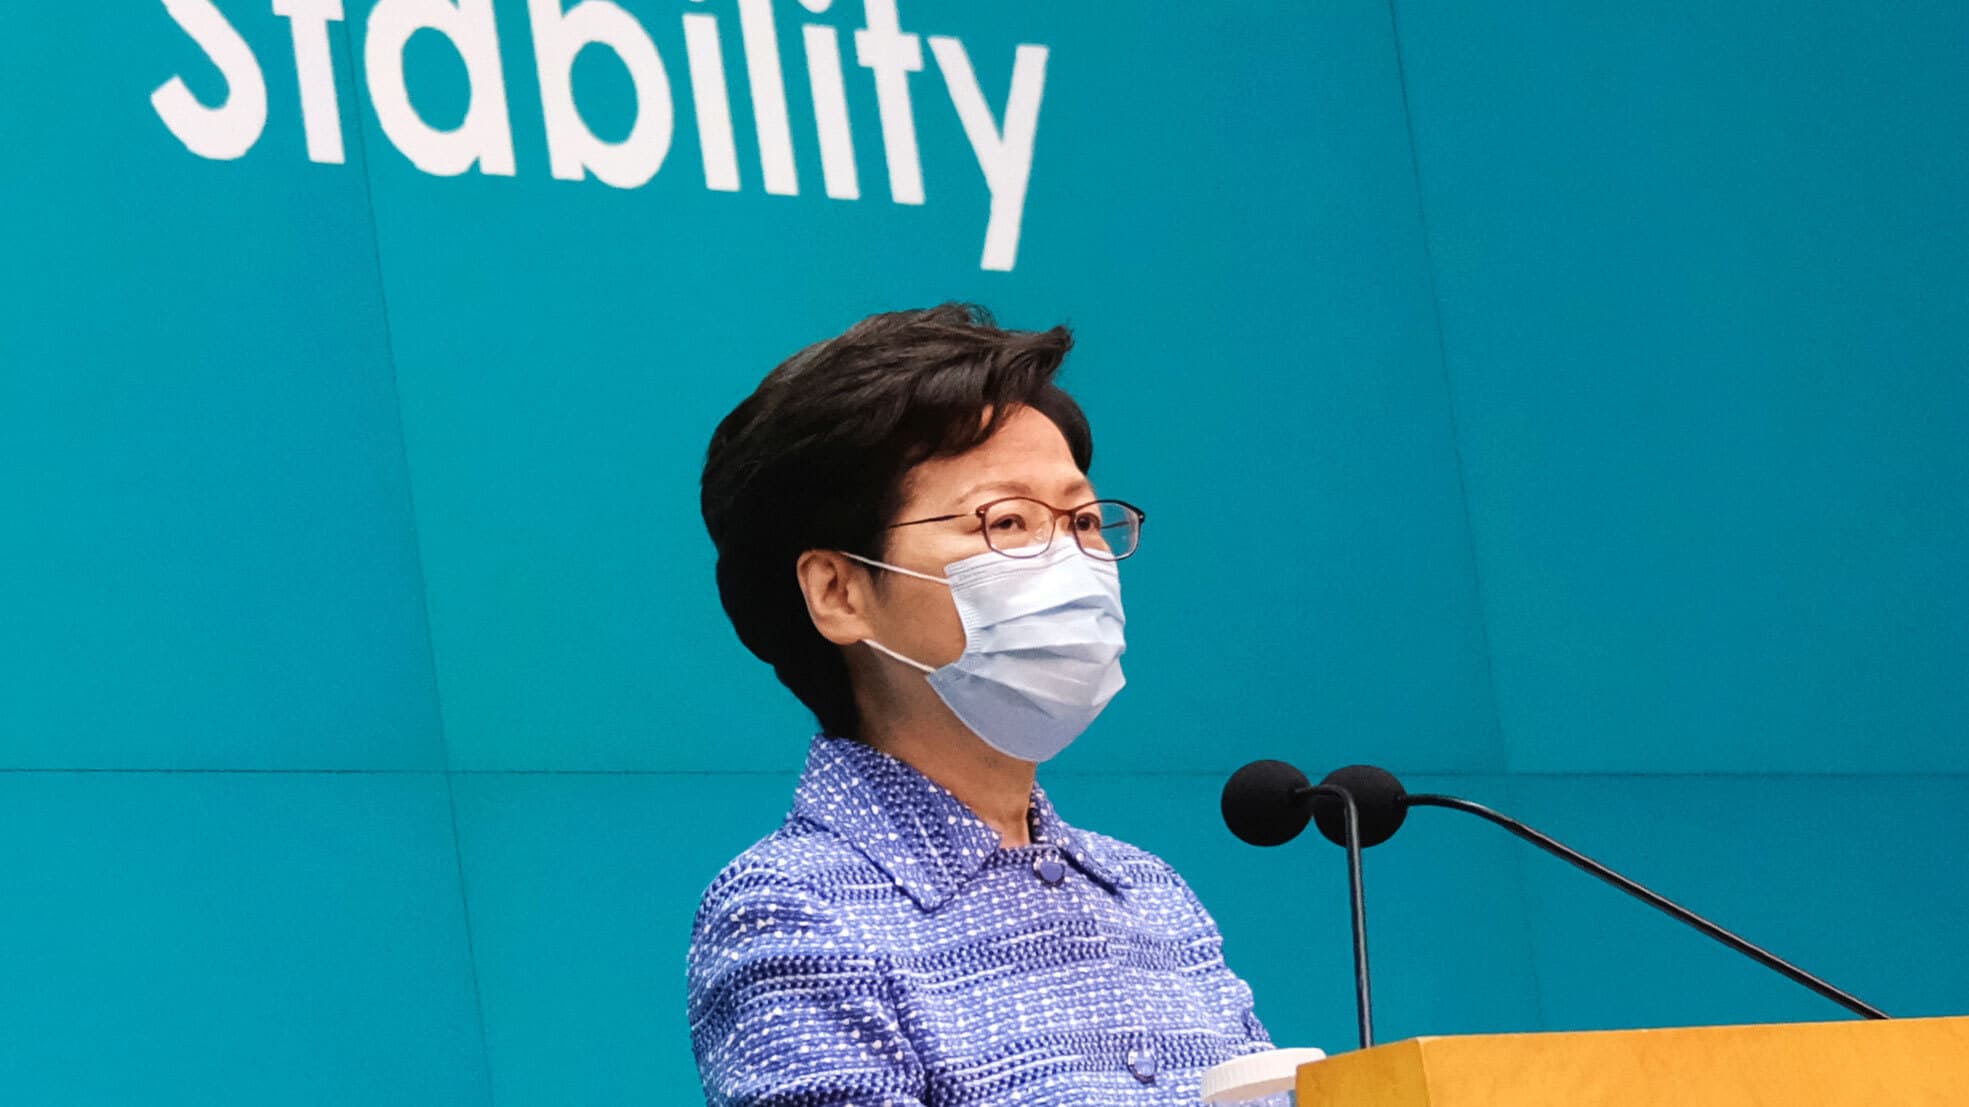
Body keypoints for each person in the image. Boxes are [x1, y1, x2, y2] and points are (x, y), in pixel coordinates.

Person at [688, 304, 1271, 1105]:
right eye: (1006, 521)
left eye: (1083, 520)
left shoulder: (1149, 894)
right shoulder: (794, 907)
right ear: (839, 591)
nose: (1069, 560)